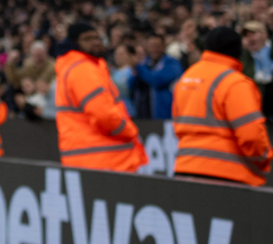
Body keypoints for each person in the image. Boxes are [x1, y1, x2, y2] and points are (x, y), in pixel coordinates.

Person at [172, 27, 273, 185]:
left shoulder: (187, 76)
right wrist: (263, 160)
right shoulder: (235, 82)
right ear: (238, 50)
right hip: (227, 174)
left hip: (184, 168)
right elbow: (252, 135)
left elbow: (177, 124)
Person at [54, 23, 147, 171]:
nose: (95, 42)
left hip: (94, 158)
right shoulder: (83, 68)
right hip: (105, 159)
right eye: (88, 39)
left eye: (97, 37)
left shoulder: (79, 66)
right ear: (74, 43)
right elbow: (103, 115)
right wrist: (130, 131)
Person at [130, 33, 183, 120]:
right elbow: (131, 85)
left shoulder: (172, 63)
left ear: (164, 46)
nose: (154, 49)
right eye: (151, 46)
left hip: (166, 115)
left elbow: (157, 80)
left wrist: (139, 67)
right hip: (144, 115)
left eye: (157, 46)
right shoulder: (145, 63)